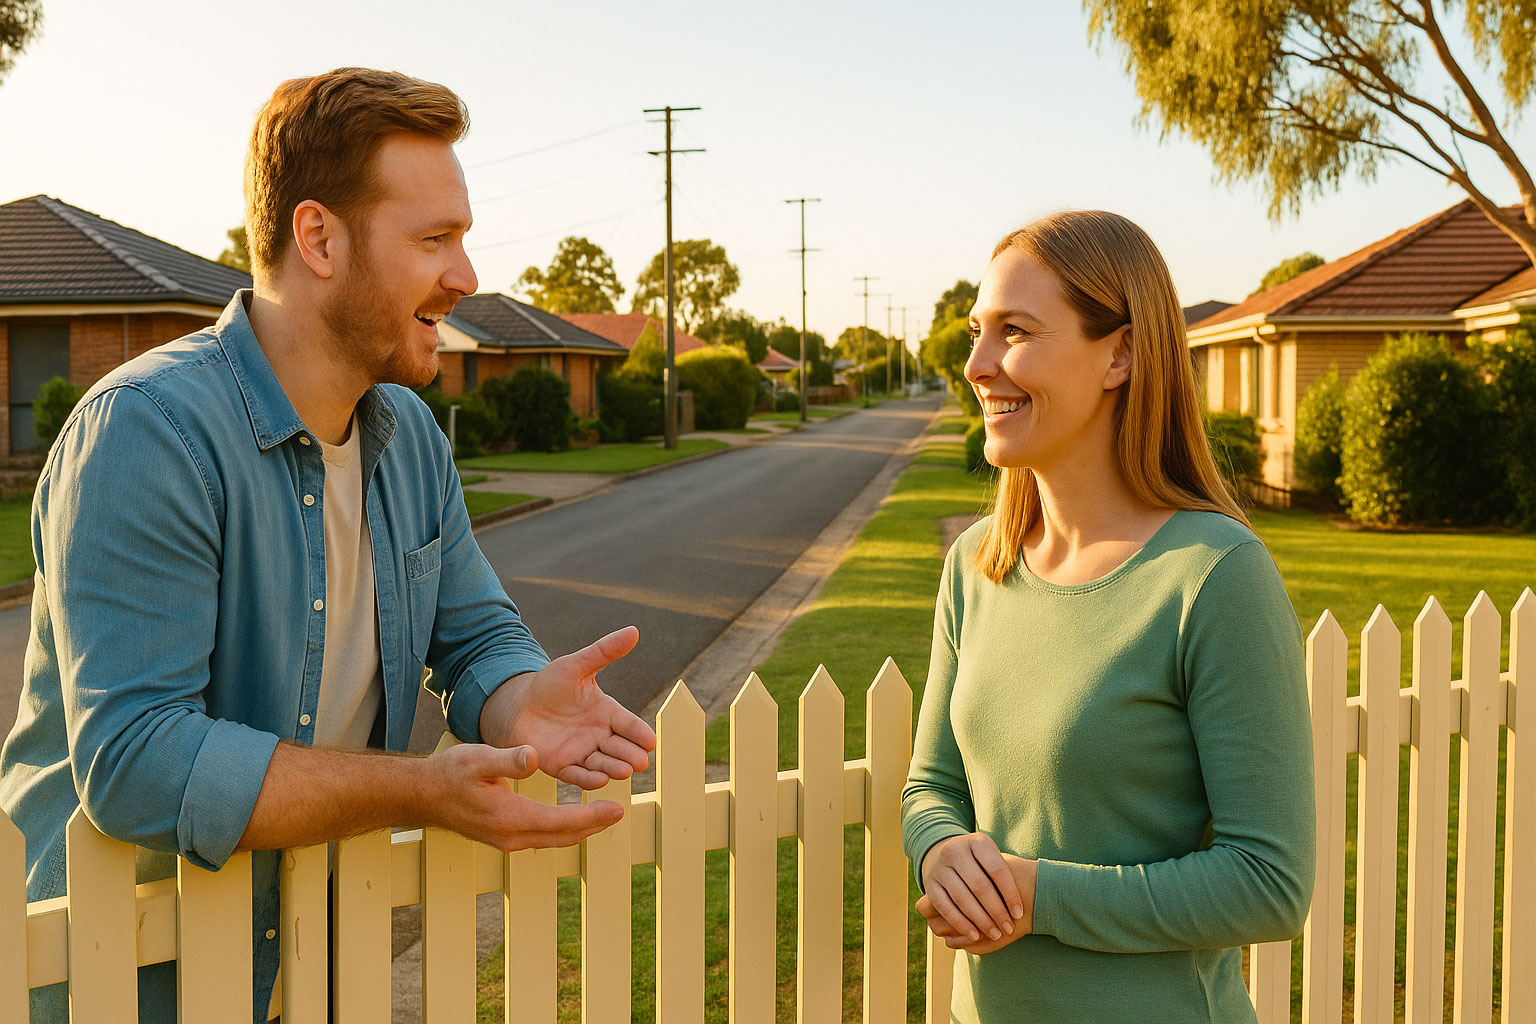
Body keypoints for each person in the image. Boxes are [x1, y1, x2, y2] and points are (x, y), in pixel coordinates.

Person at [0, 68, 657, 1023]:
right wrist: (421, 792)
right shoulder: (147, 434)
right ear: (318, 237)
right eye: (434, 240)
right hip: (125, 984)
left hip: (314, 966)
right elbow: (138, 762)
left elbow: (474, 640)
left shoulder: (410, 438)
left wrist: (522, 706)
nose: (466, 277)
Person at [900, 210, 1315, 1022]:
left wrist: (1036, 896)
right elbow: (931, 784)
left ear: (1120, 354)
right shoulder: (975, 566)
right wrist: (940, 850)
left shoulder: (1214, 574)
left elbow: (1269, 883)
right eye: (978, 333)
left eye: (1015, 332)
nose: (978, 365)